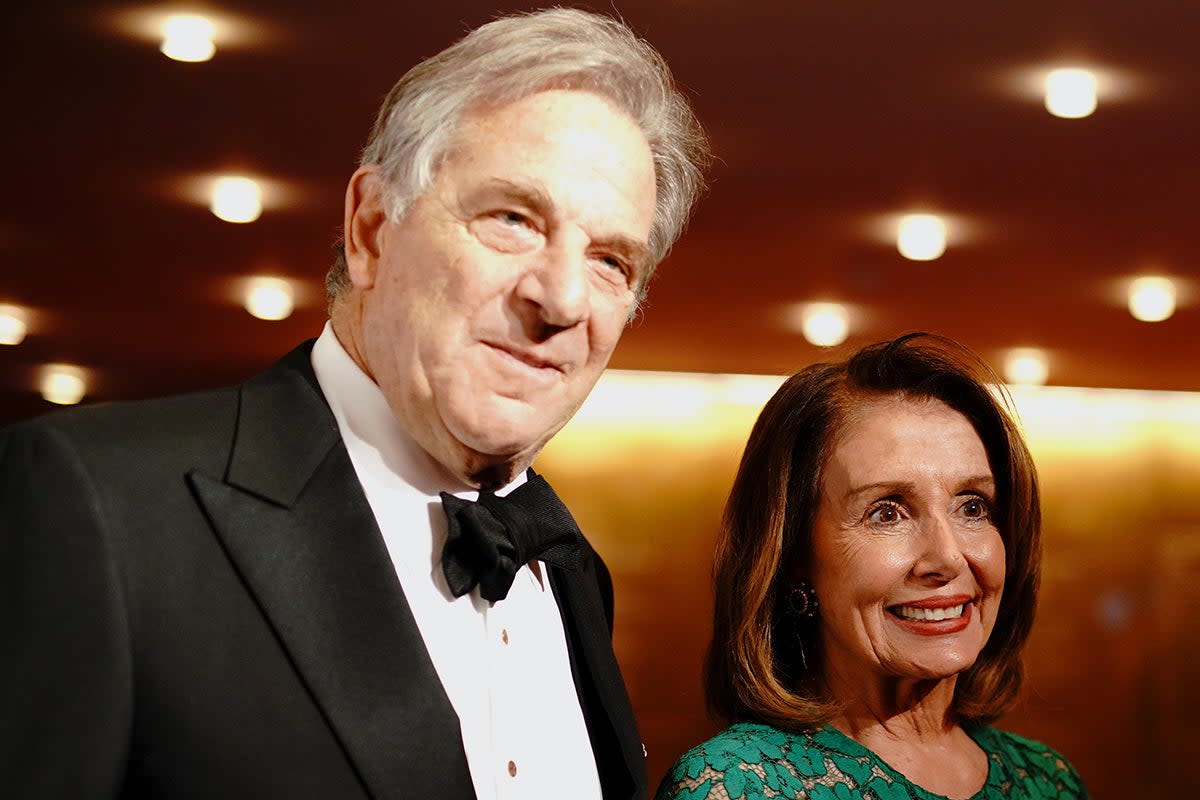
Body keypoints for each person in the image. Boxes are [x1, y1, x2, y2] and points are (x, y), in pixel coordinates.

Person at [1, 8, 709, 799]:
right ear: (372, 230)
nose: (563, 299)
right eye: (512, 218)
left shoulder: (569, 573)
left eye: (611, 260)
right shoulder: (102, 502)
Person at [656, 334, 1089, 800]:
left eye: (972, 507)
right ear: (793, 554)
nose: (946, 557)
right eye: (887, 512)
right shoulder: (736, 784)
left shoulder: (1048, 780)